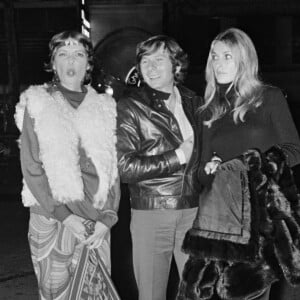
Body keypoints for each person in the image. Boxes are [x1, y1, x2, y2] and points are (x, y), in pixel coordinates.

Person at [177, 27, 300, 300]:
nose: (219, 63)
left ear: (244, 60)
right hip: (222, 218)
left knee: (251, 292)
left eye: (228, 56)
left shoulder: (269, 98)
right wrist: (210, 169)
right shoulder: (209, 109)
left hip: (261, 216)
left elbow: (294, 150)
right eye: (215, 56)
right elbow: (201, 174)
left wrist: (254, 165)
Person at [14, 31, 120, 299]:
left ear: (88, 64)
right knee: (55, 293)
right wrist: (65, 216)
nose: (71, 61)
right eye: (63, 54)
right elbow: (31, 166)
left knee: (96, 292)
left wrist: (108, 217)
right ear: (53, 62)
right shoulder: (38, 101)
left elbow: (112, 169)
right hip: (51, 216)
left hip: (96, 220)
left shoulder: (104, 106)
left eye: (79, 54)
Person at [116, 35, 202, 300]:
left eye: (159, 59)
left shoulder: (196, 102)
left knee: (198, 292)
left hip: (195, 212)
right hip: (151, 213)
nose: (150, 67)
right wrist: (177, 156)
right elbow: (124, 167)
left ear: (175, 65)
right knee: (152, 294)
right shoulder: (131, 107)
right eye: (145, 61)